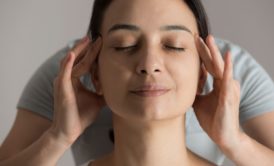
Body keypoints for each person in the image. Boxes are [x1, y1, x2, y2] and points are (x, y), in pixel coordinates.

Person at [0, 0, 274, 165]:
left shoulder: (229, 69)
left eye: (174, 46)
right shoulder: (70, 70)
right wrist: (59, 135)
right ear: (94, 75)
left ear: (202, 74)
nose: (149, 63)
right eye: (124, 45)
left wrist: (234, 142)